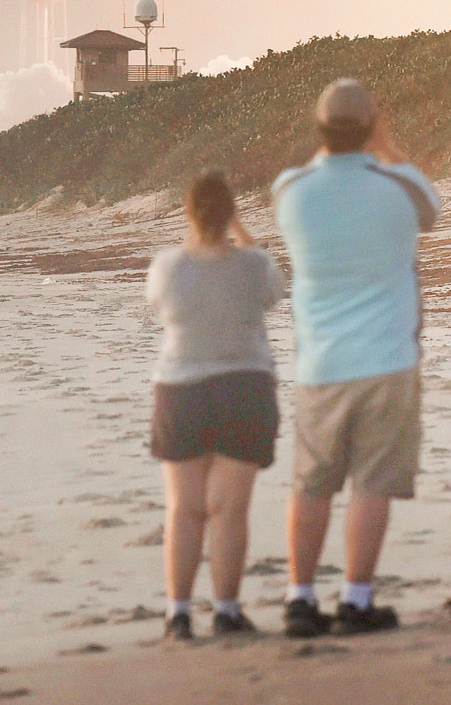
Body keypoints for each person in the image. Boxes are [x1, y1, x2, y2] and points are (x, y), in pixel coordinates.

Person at [270, 79, 440, 637]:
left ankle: (299, 598)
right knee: (371, 483)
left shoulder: (290, 190)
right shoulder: (400, 187)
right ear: (372, 127)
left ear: (319, 129)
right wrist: (384, 146)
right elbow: (431, 210)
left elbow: (313, 174)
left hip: (320, 363)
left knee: (312, 483)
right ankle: (356, 599)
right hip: (388, 357)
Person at [146, 172, 286, 639]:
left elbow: (157, 307)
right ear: (230, 214)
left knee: (185, 508)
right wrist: (242, 233)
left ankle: (178, 614)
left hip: (182, 390)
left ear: (188, 214)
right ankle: (226, 610)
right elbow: (274, 287)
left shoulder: (169, 267)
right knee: (229, 509)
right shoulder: (253, 265)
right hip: (243, 388)